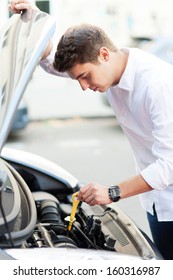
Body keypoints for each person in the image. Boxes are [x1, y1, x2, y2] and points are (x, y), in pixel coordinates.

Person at [9, 0, 173, 260]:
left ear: (104, 54)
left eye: (85, 76)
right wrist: (34, 20)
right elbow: (52, 60)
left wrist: (112, 192)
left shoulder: (158, 86)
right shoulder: (109, 68)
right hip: (157, 201)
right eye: (77, 80)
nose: (83, 87)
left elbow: (170, 165)